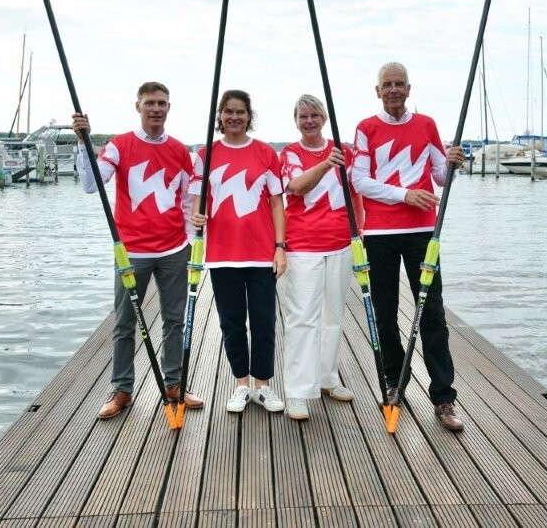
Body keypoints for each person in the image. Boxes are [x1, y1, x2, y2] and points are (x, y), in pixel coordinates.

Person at [72, 81, 204, 420]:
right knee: (125, 323)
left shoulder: (181, 151)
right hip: (131, 250)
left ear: (168, 108)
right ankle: (122, 390)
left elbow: (190, 198)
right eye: (150, 103)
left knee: (175, 320)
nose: (156, 109)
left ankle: (173, 384)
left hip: (174, 249)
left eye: (162, 103)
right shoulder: (119, 146)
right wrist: (82, 141)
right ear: (138, 106)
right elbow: (90, 185)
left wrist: (191, 241)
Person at [350, 61, 467, 432]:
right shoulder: (366, 128)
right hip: (380, 234)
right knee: (385, 314)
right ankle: (393, 383)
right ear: (378, 90)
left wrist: (453, 164)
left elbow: (437, 176)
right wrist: (405, 195)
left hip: (421, 233)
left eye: (400, 84)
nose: (394, 89)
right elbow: (360, 180)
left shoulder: (427, 125)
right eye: (388, 84)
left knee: (431, 314)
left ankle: (444, 398)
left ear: (409, 89)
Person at [191, 90, 287, 414]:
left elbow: (277, 202)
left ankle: (262, 386)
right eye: (228, 111)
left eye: (241, 112)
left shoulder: (265, 153)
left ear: (249, 116)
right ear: (220, 116)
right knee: (231, 323)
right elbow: (197, 198)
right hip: (222, 254)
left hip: (261, 253)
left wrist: (280, 247)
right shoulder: (206, 153)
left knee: (264, 321)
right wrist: (197, 214)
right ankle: (241, 384)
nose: (234, 117)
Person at [278, 94, 362, 420]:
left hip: (341, 243)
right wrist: (328, 162)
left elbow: (356, 195)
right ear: (296, 121)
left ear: (324, 118)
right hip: (304, 246)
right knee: (302, 319)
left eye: (314, 115)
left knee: (334, 316)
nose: (309, 121)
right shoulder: (290, 153)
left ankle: (328, 376)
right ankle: (299, 391)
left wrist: (360, 235)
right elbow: (296, 187)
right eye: (303, 116)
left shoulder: (346, 151)